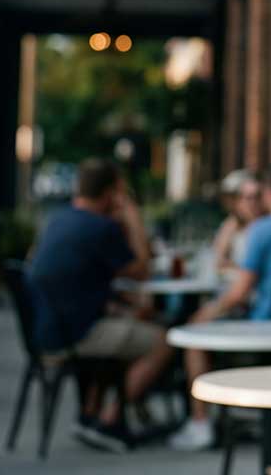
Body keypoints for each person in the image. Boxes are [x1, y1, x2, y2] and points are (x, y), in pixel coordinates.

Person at [169, 164, 271, 452]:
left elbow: (238, 293)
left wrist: (203, 315)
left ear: (270, 193)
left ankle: (200, 424)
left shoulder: (262, 230)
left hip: (267, 327)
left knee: (195, 340)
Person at [27, 158, 174, 453]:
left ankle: (90, 413)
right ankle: (110, 419)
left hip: (47, 330)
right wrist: (132, 216)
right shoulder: (101, 227)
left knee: (128, 330)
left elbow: (77, 281)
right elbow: (142, 269)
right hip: (74, 336)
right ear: (111, 193)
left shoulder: (57, 219)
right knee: (166, 340)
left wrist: (123, 308)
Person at [209, 169, 262, 271]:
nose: (253, 203)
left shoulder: (267, 226)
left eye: (257, 197)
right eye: (249, 198)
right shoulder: (233, 224)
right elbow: (218, 259)